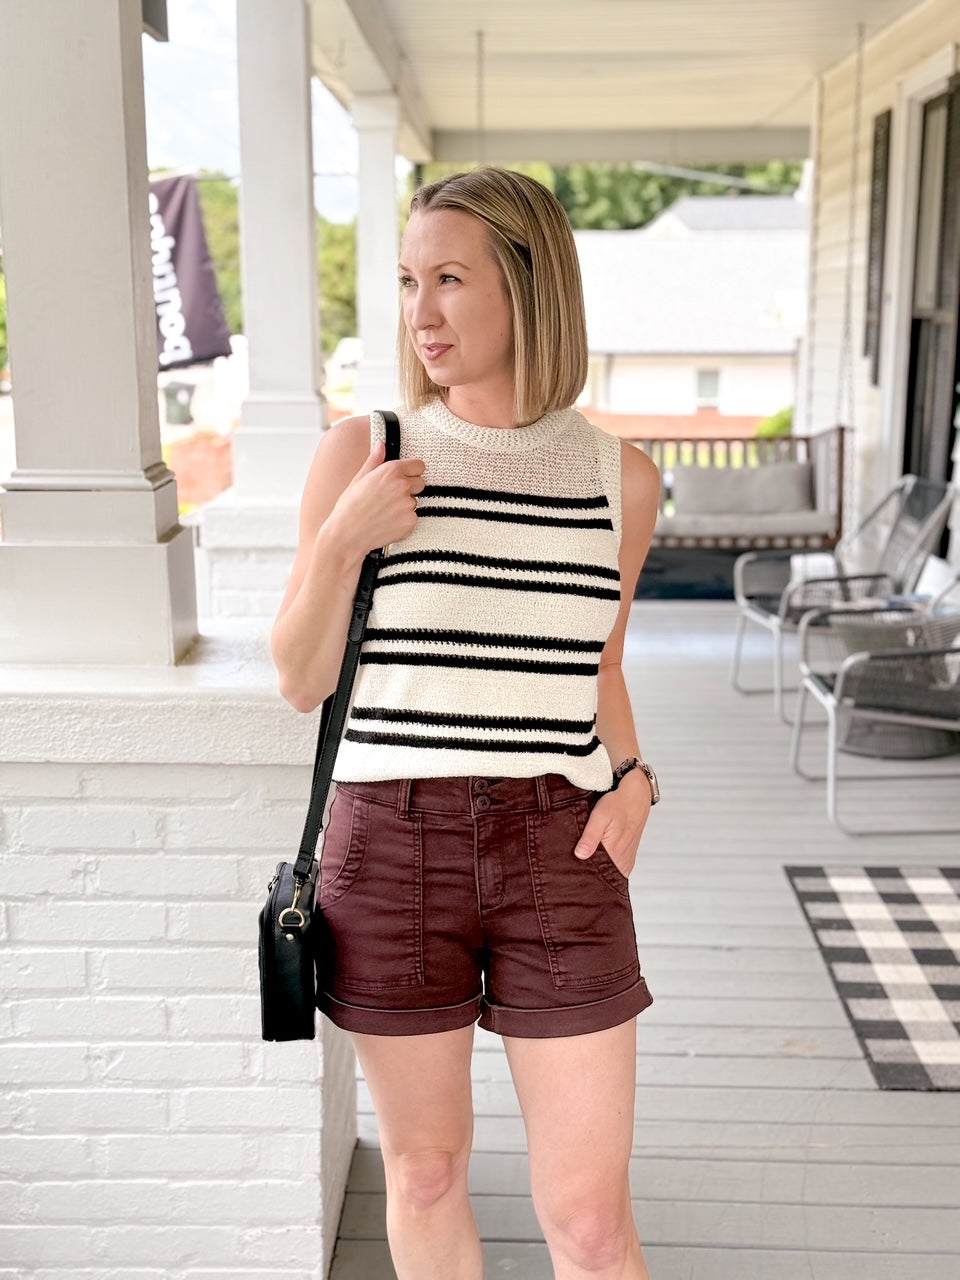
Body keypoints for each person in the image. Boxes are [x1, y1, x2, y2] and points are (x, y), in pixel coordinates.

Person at [271, 166, 661, 1280]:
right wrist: (346, 537)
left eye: (449, 277)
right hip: (391, 843)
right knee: (428, 1170)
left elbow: (603, 660)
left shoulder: (620, 479)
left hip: (562, 843)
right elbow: (301, 679)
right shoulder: (367, 450)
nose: (420, 311)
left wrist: (635, 775)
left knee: (589, 1217)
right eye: (406, 280)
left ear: (530, 287)